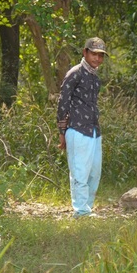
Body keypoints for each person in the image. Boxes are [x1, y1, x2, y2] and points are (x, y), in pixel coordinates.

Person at [57, 37, 109, 218]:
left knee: (94, 172)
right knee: (79, 171)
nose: (97, 58)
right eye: (94, 54)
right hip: (77, 128)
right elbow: (63, 102)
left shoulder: (95, 77)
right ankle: (80, 211)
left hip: (94, 130)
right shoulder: (75, 73)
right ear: (85, 52)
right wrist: (62, 132)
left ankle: (87, 207)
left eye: (100, 55)